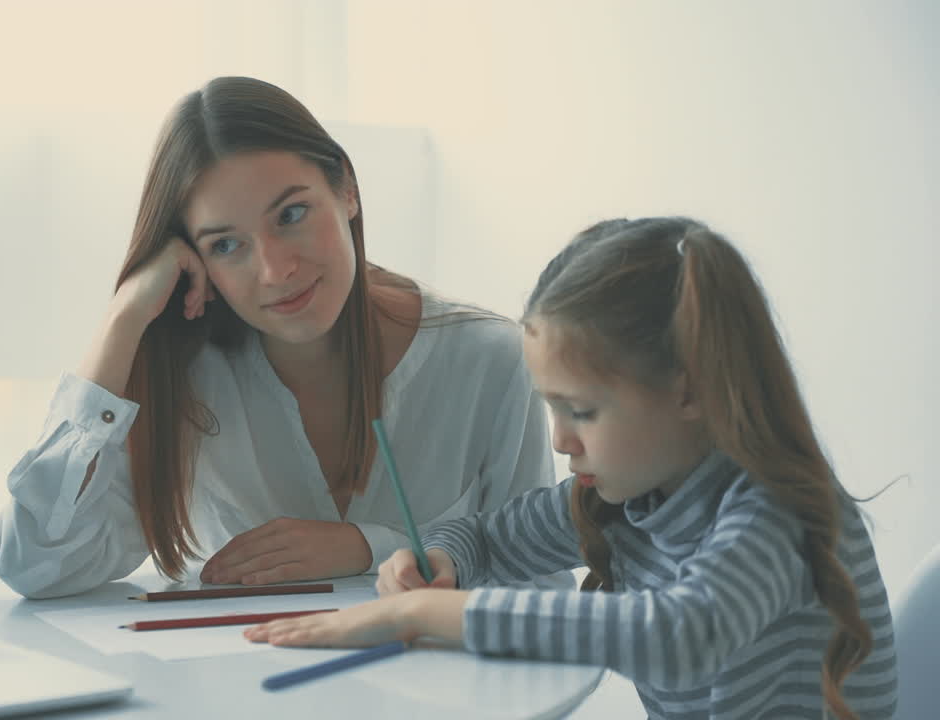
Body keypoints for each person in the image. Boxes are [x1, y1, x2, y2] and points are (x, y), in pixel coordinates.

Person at [246, 217, 898, 719]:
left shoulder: (778, 515)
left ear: (691, 388)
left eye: (581, 410)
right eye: (551, 407)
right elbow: (485, 536)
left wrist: (419, 615)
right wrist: (437, 560)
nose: (560, 440)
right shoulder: (622, 496)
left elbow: (681, 633)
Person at [0, 76, 569, 599]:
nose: (274, 270)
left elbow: (540, 590)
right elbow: (36, 564)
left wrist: (365, 547)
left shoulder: (490, 360)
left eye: (291, 215)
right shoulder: (186, 371)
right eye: (225, 244)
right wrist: (123, 320)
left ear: (345, 187)